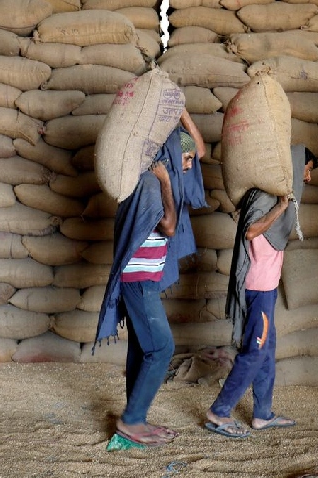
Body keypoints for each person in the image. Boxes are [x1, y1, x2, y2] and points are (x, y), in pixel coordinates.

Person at [96, 111, 207, 447]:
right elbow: (169, 226)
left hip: (142, 279)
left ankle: (135, 415)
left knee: (142, 346)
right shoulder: (150, 183)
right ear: (172, 156)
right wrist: (166, 182)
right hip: (138, 280)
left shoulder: (155, 178)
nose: (189, 165)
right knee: (162, 348)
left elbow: (199, 151)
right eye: (184, 159)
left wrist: (184, 116)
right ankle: (132, 421)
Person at [205, 146, 316, 438]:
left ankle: (262, 414)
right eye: (308, 168)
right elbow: (252, 232)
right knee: (254, 351)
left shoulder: (276, 196)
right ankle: (219, 411)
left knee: (266, 351)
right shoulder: (268, 199)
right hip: (257, 289)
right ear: (295, 165)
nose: (308, 177)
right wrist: (280, 206)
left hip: (267, 288)